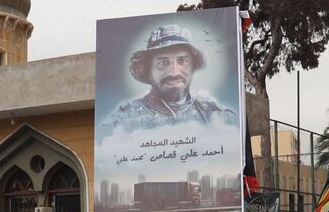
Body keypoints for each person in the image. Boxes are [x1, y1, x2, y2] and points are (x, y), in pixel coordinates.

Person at [100, 25, 237, 132]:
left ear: (193, 68)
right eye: (163, 63)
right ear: (148, 71)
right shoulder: (120, 122)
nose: (174, 72)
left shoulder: (217, 115)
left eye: (182, 61)